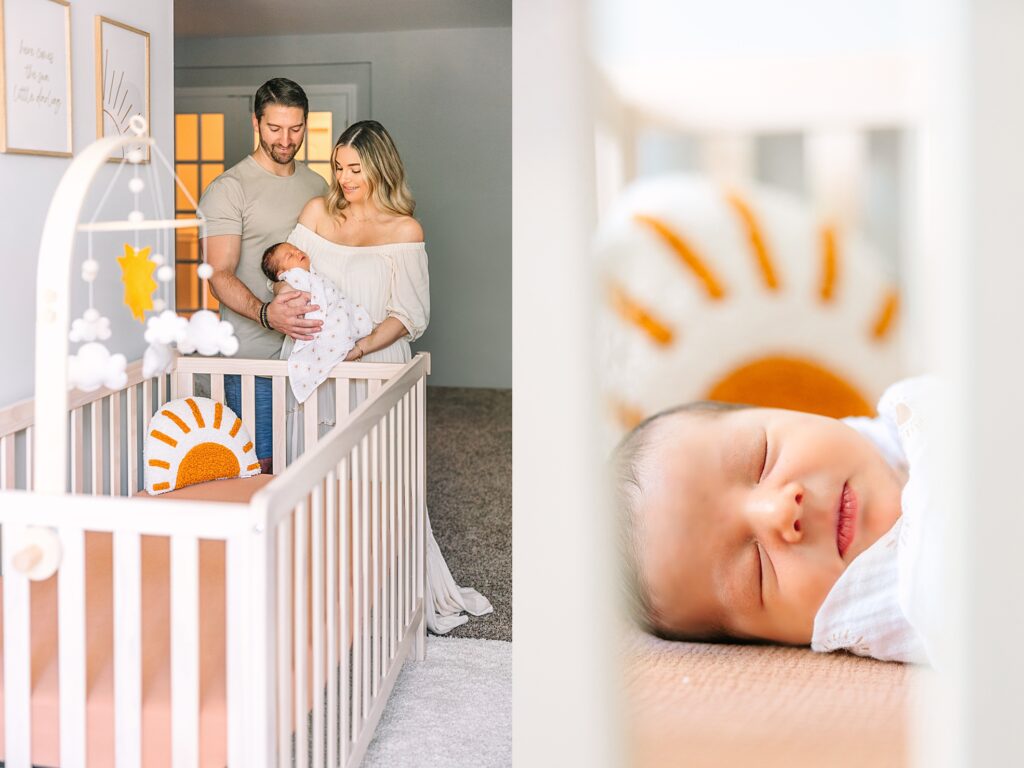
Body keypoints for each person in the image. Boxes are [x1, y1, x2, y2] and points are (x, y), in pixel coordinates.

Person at [282, 119, 493, 634]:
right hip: (316, 361)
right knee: (313, 474)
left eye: (356, 168)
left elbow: (409, 313)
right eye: (338, 166)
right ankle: (318, 589)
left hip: (373, 362)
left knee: (381, 479)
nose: (345, 178)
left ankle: (385, 588)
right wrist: (289, 309)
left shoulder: (404, 230)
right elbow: (289, 275)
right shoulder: (316, 213)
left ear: (381, 167)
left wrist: (360, 347)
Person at [615, 391, 912, 649]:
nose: (781, 511)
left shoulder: (912, 411)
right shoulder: (914, 607)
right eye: (755, 571)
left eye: (761, 457)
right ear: (776, 641)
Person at [199, 78, 328, 473]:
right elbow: (218, 274)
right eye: (275, 128)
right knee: (260, 471)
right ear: (256, 124)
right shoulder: (228, 189)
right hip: (252, 361)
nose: (286, 139)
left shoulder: (317, 185)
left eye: (295, 128)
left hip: (313, 356)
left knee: (311, 467)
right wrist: (266, 313)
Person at [261, 242, 372, 403]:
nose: (297, 252)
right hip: (320, 325)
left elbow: (332, 294)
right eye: (290, 255)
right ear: (282, 273)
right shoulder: (293, 277)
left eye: (297, 249)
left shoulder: (313, 274)